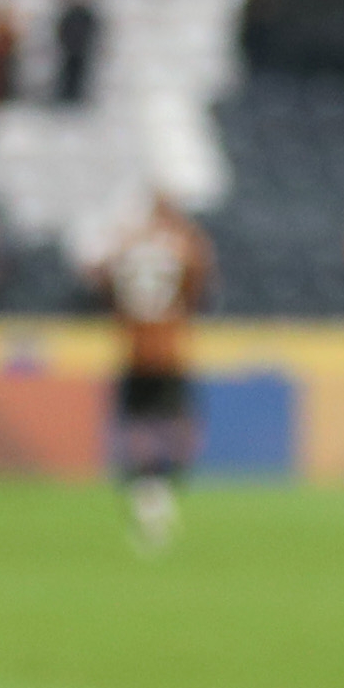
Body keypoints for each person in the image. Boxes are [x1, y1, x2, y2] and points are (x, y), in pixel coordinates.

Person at [94, 195, 212, 554]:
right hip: (170, 348)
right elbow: (198, 290)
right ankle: (162, 485)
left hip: (134, 348)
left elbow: (105, 285)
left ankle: (146, 487)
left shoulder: (126, 245)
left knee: (138, 423)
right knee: (178, 422)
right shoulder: (186, 244)